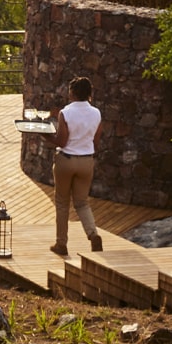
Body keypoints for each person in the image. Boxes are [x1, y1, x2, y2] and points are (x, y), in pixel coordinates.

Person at [44, 76, 103, 256]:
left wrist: (44, 136)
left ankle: (61, 244)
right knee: (82, 202)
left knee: (62, 203)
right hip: (86, 161)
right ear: (89, 93)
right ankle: (92, 234)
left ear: (72, 93)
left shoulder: (66, 113)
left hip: (67, 159)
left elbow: (61, 140)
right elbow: (96, 140)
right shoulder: (96, 113)